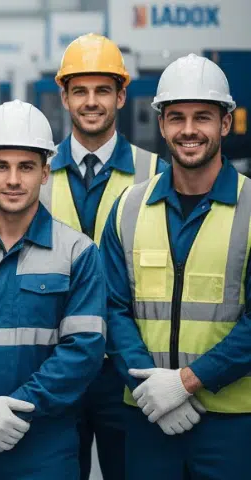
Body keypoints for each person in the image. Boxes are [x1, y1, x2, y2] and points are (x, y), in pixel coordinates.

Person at [0, 100, 106, 479]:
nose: (13, 180)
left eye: (26, 167)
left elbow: (83, 352)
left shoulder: (77, 253)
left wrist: (16, 409)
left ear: (46, 172)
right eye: (1, 166)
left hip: (45, 448)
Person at [101, 53, 250, 479]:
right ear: (162, 124)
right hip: (147, 416)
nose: (188, 130)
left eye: (202, 117)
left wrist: (187, 381)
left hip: (232, 423)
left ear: (225, 123)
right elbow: (112, 308)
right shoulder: (128, 208)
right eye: (176, 117)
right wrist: (148, 388)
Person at [40, 33, 168, 480]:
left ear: (121, 94)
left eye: (101, 90)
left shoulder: (157, 174)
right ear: (64, 96)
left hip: (127, 371)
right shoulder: (33, 173)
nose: (91, 101)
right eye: (80, 90)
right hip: (54, 366)